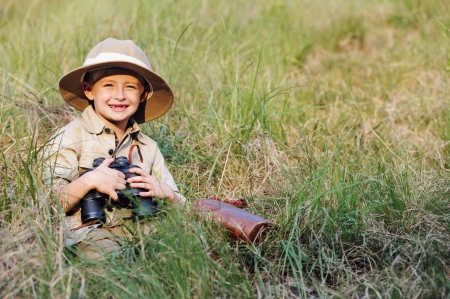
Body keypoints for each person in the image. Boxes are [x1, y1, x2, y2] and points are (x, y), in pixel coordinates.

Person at [44, 38, 185, 260]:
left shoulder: (148, 147)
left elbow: (182, 209)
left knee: (182, 253)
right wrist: (89, 181)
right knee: (107, 260)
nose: (119, 95)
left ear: (143, 94)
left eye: (130, 87)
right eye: (108, 85)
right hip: (88, 233)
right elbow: (47, 205)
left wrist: (164, 192)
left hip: (142, 231)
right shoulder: (71, 136)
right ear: (89, 90)